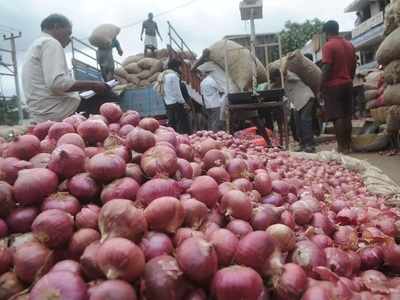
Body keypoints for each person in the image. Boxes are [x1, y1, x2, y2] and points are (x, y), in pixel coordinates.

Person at [22, 14, 110, 123]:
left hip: (42, 112)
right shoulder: (50, 43)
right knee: (107, 96)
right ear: (56, 26)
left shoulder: (35, 45)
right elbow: (57, 83)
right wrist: (94, 84)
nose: (69, 39)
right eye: (68, 33)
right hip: (58, 111)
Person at [321, 20, 357, 154]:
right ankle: (348, 145)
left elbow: (327, 67)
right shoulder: (349, 45)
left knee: (338, 116)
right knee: (347, 115)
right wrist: (350, 79)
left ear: (326, 32)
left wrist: (321, 85)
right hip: (348, 83)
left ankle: (341, 147)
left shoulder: (328, 46)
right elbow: (354, 65)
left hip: (333, 86)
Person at [162, 59, 190, 134]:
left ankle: (173, 137)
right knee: (182, 124)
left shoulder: (164, 76)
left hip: (168, 104)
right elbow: (177, 91)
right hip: (176, 104)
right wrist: (184, 103)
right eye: (180, 67)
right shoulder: (174, 76)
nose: (181, 69)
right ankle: (182, 139)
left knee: (172, 123)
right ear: (176, 67)